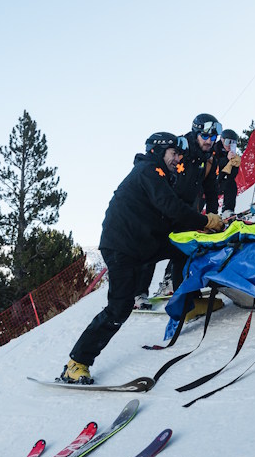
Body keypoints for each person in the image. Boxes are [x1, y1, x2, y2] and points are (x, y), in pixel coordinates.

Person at [61, 132, 225, 384]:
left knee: (184, 248)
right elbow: (171, 207)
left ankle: (187, 304)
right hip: (123, 247)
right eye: (174, 154)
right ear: (158, 153)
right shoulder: (148, 171)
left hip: (142, 242)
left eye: (179, 154)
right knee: (120, 307)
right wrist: (205, 220)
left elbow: (166, 215)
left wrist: (197, 229)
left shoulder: (157, 174)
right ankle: (77, 362)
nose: (178, 159)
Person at [212, 128, 242, 215]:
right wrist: (226, 159)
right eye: (228, 141)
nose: (229, 145)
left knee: (231, 184)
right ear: (222, 140)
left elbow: (231, 176)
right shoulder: (214, 149)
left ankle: (227, 211)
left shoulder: (232, 154)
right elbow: (214, 165)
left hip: (221, 181)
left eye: (233, 142)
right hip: (210, 180)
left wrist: (235, 165)